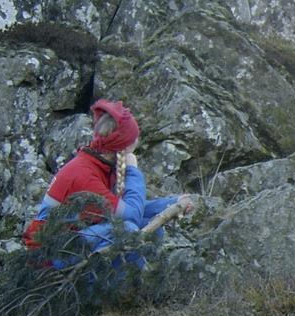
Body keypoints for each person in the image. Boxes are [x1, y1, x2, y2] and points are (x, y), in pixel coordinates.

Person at [23, 98, 194, 261]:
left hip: (74, 237)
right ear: (122, 149)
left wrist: (174, 203)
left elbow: (127, 210)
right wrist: (133, 170)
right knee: (129, 230)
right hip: (51, 255)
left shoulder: (99, 163)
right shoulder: (84, 175)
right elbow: (131, 215)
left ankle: (134, 286)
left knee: (150, 228)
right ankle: (110, 289)